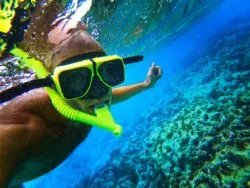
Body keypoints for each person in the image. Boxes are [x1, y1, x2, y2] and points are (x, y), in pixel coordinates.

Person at [0, 25, 162, 187]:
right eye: (77, 80)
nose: (99, 92)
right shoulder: (14, 134)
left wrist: (145, 85)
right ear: (54, 87)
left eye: (107, 72)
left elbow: (110, 96)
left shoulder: (84, 102)